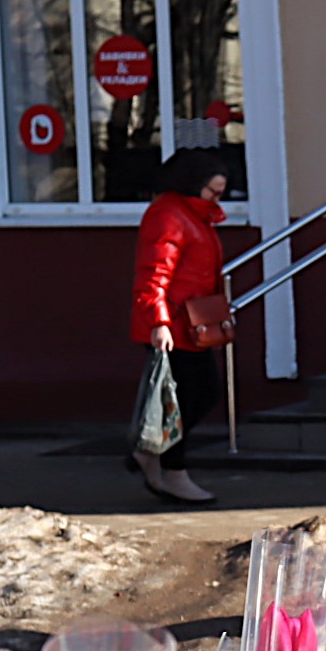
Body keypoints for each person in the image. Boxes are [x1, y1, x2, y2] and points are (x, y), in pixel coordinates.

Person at [129, 148, 231, 504]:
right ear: (193, 184)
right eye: (213, 191)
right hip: (172, 327)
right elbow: (154, 274)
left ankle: (156, 457)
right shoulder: (170, 215)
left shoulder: (193, 215)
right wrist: (159, 322)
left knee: (194, 395)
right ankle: (170, 469)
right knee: (192, 396)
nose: (218, 198)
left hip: (189, 324)